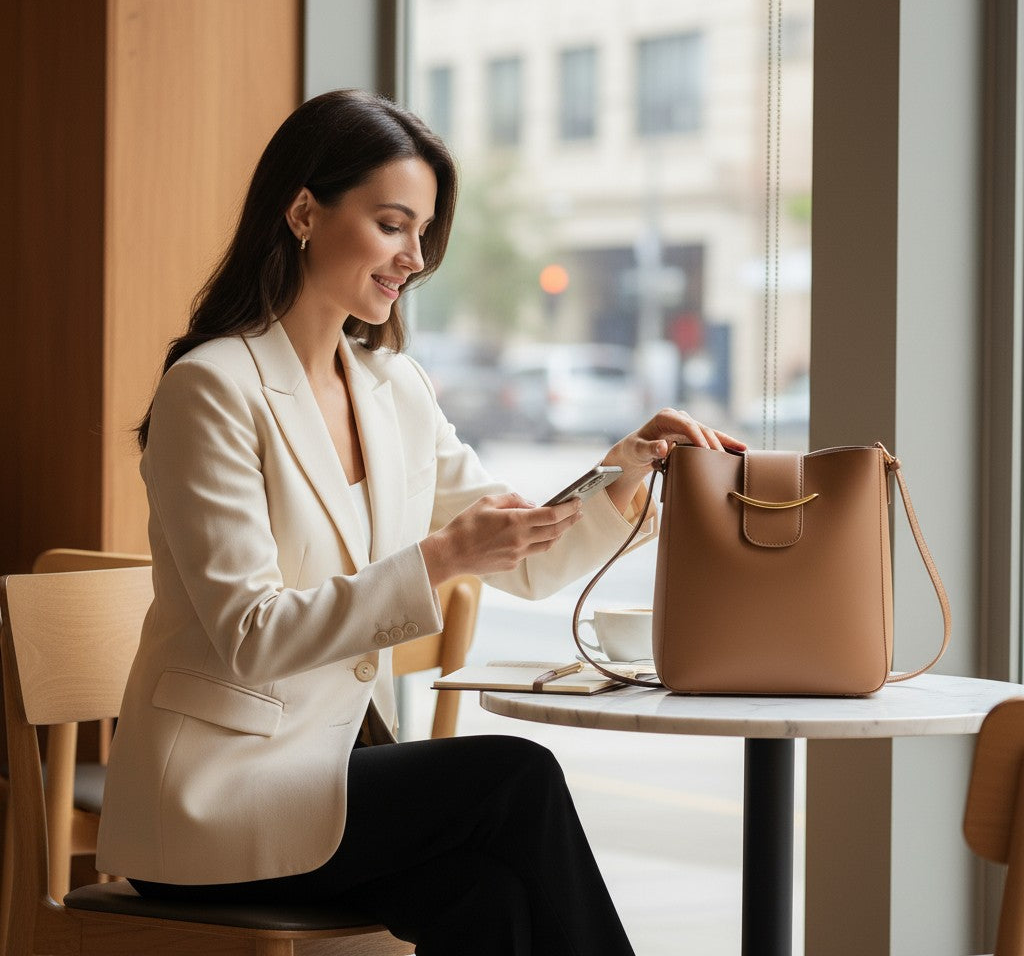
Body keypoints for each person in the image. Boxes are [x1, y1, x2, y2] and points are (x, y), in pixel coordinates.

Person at [95, 88, 745, 955]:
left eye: (424, 231)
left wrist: (620, 470)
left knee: (489, 901)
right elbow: (248, 634)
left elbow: (528, 561)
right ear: (302, 212)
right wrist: (439, 559)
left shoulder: (394, 388)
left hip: (326, 779)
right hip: (215, 801)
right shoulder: (212, 390)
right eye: (393, 224)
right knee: (514, 773)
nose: (414, 256)